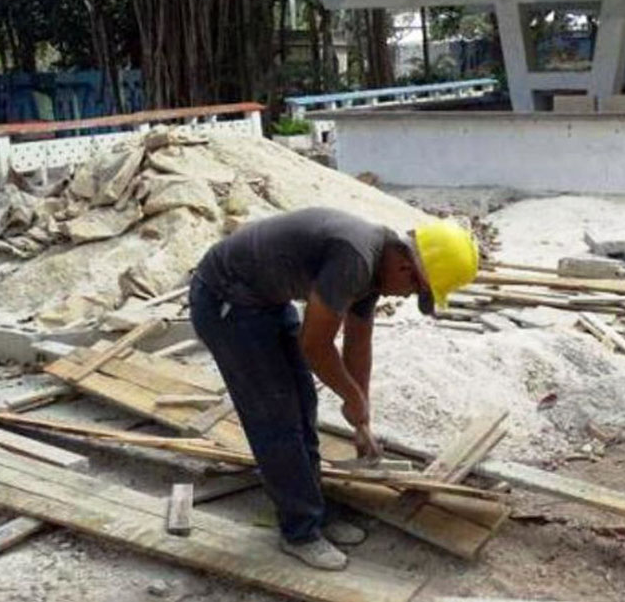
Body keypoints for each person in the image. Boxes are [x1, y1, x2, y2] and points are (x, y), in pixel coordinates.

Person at [189, 207, 479, 570]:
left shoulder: (379, 263)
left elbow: (358, 342)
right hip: (226, 300)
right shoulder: (355, 259)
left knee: (302, 405)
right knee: (277, 418)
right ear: (406, 269)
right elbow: (316, 345)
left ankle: (314, 510)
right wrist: (351, 396)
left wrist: (361, 412)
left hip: (264, 299)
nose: (406, 298)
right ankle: (300, 532)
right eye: (414, 291)